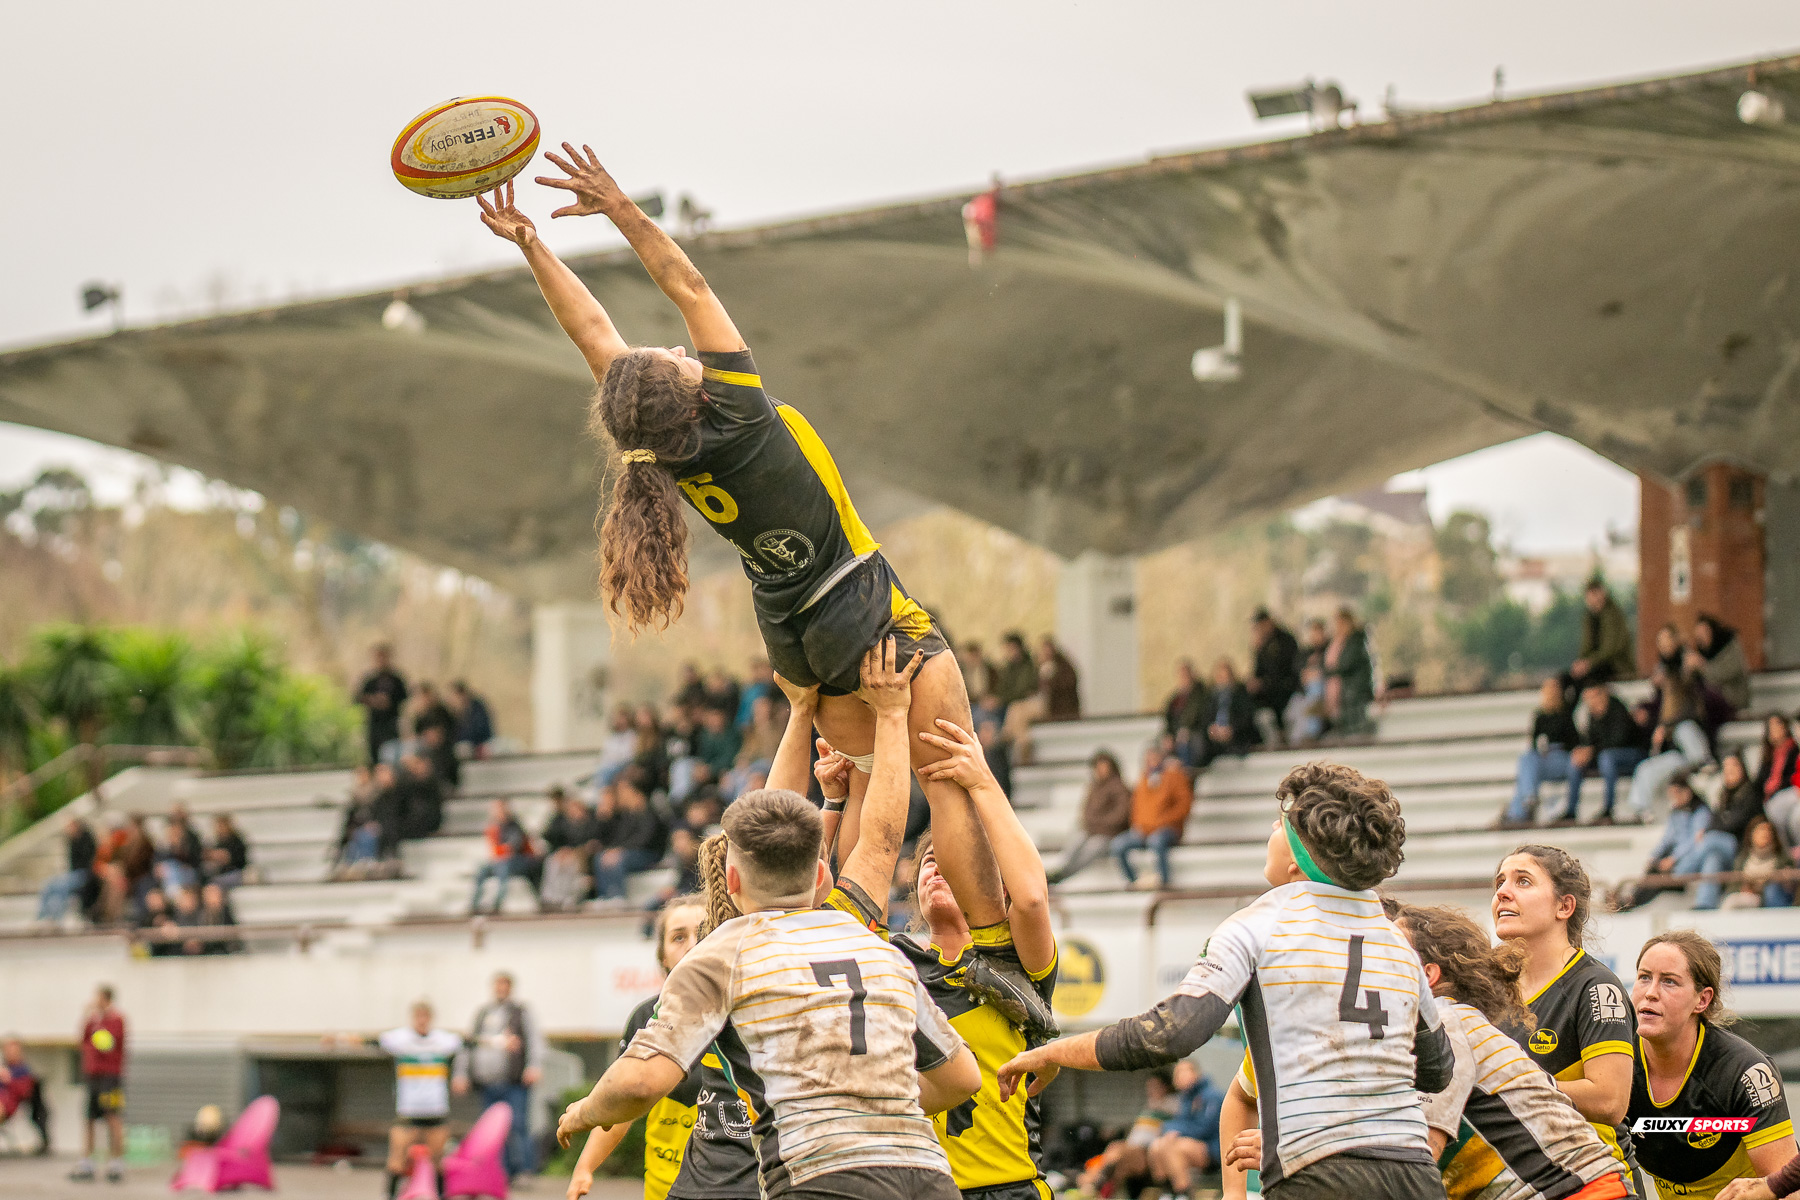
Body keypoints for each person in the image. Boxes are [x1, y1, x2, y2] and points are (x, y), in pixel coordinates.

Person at [479, 158, 1004, 932]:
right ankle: (991, 947)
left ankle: (846, 938)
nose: (678, 348)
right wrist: (620, 209)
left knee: (862, 781)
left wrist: (533, 246)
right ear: (690, 387)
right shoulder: (738, 410)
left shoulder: (656, 448)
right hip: (855, 596)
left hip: (791, 634)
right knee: (950, 774)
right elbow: (688, 287)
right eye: (673, 357)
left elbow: (594, 335)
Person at [554, 640, 982, 1200]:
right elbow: (961, 1077)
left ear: (730, 884)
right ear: (823, 879)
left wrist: (584, 1110)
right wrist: (892, 714)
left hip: (820, 1179)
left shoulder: (728, 951)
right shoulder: (876, 950)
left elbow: (639, 1082)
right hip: (929, 1180)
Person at [999, 762, 1456, 1200]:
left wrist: (1053, 1050)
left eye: (1281, 826)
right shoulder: (1397, 944)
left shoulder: (1259, 922)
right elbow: (1437, 1069)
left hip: (1319, 1173)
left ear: (1300, 859)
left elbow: (1167, 1035)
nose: (1271, 832)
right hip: (1413, 1172)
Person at [1376, 902, 1632, 1200]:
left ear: (1427, 975)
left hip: (1581, 1192)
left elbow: (1420, 1157)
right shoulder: (1428, 1031)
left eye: (1387, 949)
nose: (1369, 960)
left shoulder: (1446, 1024)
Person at [904, 710, 1060, 1200]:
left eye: (947, 861)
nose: (936, 869)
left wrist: (982, 781)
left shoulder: (1012, 960)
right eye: (926, 862)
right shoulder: (894, 964)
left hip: (1013, 1188)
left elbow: (1032, 897)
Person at [567, 896, 757, 1200]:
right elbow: (623, 1106)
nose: (691, 944)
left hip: (730, 1186)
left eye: (702, 931)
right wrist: (584, 1168)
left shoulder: (745, 1009)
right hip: (663, 1189)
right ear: (663, 957)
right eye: (678, 936)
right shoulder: (646, 1018)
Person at [1493, 846, 1640, 1186]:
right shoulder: (1487, 984)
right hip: (1520, 1183)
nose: (1502, 892)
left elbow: (1610, 1101)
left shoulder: (1596, 986)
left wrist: (1516, 1088)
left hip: (1595, 1180)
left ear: (1564, 906)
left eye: (1523, 881)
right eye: (1500, 882)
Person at [1629, 932, 1796, 1200]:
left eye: (1669, 982)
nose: (1650, 993)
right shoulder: (1617, 1060)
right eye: (1644, 977)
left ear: (1702, 1000)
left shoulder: (1745, 1072)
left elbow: (1792, 1192)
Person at [454, 972, 545, 1181]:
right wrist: (461, 1073)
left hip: (514, 1083)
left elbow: (534, 1040)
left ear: (510, 987)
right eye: (497, 985)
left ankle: (523, 1170)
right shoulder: (482, 1013)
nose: (500, 988)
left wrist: (534, 1066)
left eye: (504, 985)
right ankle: (500, 1172)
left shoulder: (521, 1012)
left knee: (518, 1125)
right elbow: (468, 1045)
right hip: (488, 1084)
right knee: (492, 1132)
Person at [377, 1001, 464, 1200]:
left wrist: (500, 1042)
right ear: (413, 1018)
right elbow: (371, 1041)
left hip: (436, 1111)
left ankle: (442, 1195)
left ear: (430, 1019)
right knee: (397, 1161)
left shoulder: (442, 1040)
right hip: (408, 1112)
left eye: (425, 1017)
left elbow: (469, 1043)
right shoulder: (401, 1039)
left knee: (438, 1162)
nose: (422, 1021)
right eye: (418, 1016)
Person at [1626, 667, 1713, 823]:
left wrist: (1667, 727)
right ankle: (1641, 808)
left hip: (1695, 752)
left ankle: (1703, 762)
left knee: (1684, 729)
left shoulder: (1692, 705)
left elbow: (1690, 714)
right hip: (1679, 759)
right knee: (1645, 769)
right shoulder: (1661, 711)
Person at [1637, 775, 1735, 910]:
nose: (1673, 799)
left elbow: (1694, 842)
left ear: (1687, 792)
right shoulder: (1676, 813)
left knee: (1660, 877)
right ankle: (1630, 900)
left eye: (1675, 794)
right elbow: (1667, 838)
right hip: (1676, 860)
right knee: (1653, 870)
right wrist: (1654, 855)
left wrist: (1673, 858)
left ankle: (1631, 902)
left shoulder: (1701, 812)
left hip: (1687, 861)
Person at [1560, 684, 1650, 825]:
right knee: (1576, 761)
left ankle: (1608, 807)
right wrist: (1584, 751)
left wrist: (1593, 751)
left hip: (1632, 755)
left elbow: (1620, 740)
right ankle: (1571, 809)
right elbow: (1589, 741)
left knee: (1606, 758)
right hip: (1603, 755)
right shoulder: (1590, 714)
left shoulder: (1618, 710)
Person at [1079, 1071, 1177, 1198]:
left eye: (1154, 1086)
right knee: (1119, 1164)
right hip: (1131, 1149)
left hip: (1147, 1152)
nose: (1150, 1090)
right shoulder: (1148, 1107)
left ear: (1165, 1087)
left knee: (1117, 1151)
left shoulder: (1172, 1104)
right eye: (1149, 1087)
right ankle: (1099, 1188)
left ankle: (1094, 1182)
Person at [1113, 741, 1191, 890]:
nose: (1152, 762)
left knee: (1156, 841)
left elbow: (1184, 806)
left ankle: (1164, 882)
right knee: (1118, 845)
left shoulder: (1174, 776)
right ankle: (1134, 881)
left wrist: (1163, 821)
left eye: (1155, 758)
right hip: (1145, 829)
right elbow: (1136, 807)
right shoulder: (1143, 779)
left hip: (1168, 828)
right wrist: (1139, 824)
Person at [1504, 680, 1582, 827]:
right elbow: (1534, 742)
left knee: (1526, 770)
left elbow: (1574, 741)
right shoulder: (1540, 715)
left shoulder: (1566, 713)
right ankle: (1527, 801)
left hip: (1561, 756)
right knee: (1526, 760)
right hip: (1545, 756)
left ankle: (1517, 811)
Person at [1047, 751, 1133, 885]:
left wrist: (1098, 823)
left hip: (1109, 834)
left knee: (1092, 848)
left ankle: (1063, 875)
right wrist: (1092, 823)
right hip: (1092, 831)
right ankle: (1061, 870)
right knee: (1075, 843)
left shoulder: (1121, 788)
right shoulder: (1094, 788)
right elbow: (1086, 813)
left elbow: (1120, 816)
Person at [71, 984, 127, 1183]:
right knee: (89, 1119)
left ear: (107, 999)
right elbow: (82, 1040)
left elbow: (109, 1044)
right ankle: (87, 1161)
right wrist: (87, 1016)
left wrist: (98, 1030)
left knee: (113, 1117)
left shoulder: (117, 1020)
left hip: (110, 1077)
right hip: (92, 1076)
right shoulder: (93, 1021)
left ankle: (116, 1161)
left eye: (98, 998)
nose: (95, 1002)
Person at [1150, 1060, 1225, 1200]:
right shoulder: (1186, 1098)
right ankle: (1167, 1191)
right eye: (1177, 1073)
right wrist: (1169, 1129)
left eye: (1184, 1071)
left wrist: (1178, 1131)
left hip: (1213, 1150)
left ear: (1196, 1073)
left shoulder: (1211, 1095)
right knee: (1156, 1146)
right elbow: (1180, 1122)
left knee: (1172, 1147)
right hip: (1192, 1145)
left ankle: (1183, 1193)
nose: (1180, 1076)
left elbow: (1205, 1128)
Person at [593, 772, 668, 901]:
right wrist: (604, 819)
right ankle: (605, 896)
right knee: (601, 857)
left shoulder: (648, 812)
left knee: (619, 859)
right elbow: (616, 838)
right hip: (629, 851)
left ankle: (617, 896)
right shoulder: (626, 816)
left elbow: (646, 839)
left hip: (648, 853)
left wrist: (621, 850)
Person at [1565, 580, 1636, 695]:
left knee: (1588, 677)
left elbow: (1611, 649)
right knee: (1566, 679)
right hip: (1597, 663)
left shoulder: (1612, 615)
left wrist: (1588, 663)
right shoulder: (1589, 618)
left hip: (1615, 664)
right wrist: (1581, 663)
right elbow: (1586, 647)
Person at [469, 800, 538, 915]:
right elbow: (494, 849)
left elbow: (513, 847)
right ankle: (474, 905)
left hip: (520, 860)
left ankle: (497, 905)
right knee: (482, 869)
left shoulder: (514, 825)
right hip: (500, 860)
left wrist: (502, 853)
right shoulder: (495, 827)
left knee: (503, 868)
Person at [539, 788, 602, 911]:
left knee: (572, 863)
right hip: (571, 852)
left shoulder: (592, 823)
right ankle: (551, 897)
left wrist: (575, 850)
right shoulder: (567, 825)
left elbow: (593, 842)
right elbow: (561, 840)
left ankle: (571, 897)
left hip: (583, 854)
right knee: (552, 860)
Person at [1193, 659, 1261, 769]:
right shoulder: (1211, 698)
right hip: (1215, 738)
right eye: (1220, 677)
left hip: (1236, 736)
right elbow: (1205, 719)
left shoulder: (1241, 695)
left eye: (1226, 677)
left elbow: (1246, 718)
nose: (1223, 681)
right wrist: (1212, 729)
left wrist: (1231, 729)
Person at [1248, 610, 1302, 745]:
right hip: (1268, 693)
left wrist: (1265, 682)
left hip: (1284, 690)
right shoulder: (1263, 645)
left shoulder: (1285, 641)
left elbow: (1284, 670)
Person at [1324, 607, 1376, 737]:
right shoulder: (1340, 642)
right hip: (1346, 692)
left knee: (1356, 730)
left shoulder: (1356, 641)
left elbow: (1345, 664)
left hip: (1355, 692)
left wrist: (1325, 672)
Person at [37, 815, 97, 924]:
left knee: (62, 886)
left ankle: (56, 918)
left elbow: (87, 862)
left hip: (84, 874)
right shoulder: (71, 841)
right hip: (73, 874)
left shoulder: (86, 839)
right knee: (48, 885)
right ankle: (42, 917)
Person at [356, 644, 409, 766]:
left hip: (391, 725)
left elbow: (404, 697)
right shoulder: (370, 680)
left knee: (391, 757)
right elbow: (358, 698)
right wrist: (373, 700)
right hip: (374, 726)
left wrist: (388, 702)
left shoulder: (396, 679)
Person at [1722, 818, 1792, 909]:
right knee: (1732, 901)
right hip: (1746, 898)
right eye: (1760, 830)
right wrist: (1743, 889)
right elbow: (1732, 887)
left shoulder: (1782, 859)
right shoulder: (1742, 859)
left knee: (1771, 890)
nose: (1765, 834)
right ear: (1752, 834)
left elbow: (1788, 885)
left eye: (1768, 830)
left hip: (1770, 900)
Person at [1690, 615, 1751, 716]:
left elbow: (1723, 674)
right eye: (1699, 635)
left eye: (1705, 633)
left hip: (1735, 704)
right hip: (1712, 707)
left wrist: (1702, 666)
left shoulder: (1729, 648)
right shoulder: (1702, 652)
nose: (1702, 638)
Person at [1, 1036, 51, 1155]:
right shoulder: (4, 1067)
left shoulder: (22, 1071)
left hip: (7, 1105)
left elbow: (25, 1092)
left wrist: (9, 1079)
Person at [1164, 659, 1208, 764]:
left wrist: (1186, 730)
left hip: (1194, 734)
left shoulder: (1201, 695)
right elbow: (1168, 720)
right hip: (1177, 735)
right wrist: (1168, 735)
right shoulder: (1175, 699)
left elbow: (1200, 717)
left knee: (1185, 742)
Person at [202, 813, 250, 889]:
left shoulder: (237, 842)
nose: (220, 828)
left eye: (222, 825)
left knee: (214, 884)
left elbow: (240, 861)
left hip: (234, 873)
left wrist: (224, 857)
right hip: (218, 874)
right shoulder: (215, 842)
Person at [450, 680, 495, 756]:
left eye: (453, 697)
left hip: (481, 744)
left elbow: (478, 730)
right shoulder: (455, 711)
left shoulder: (476, 708)